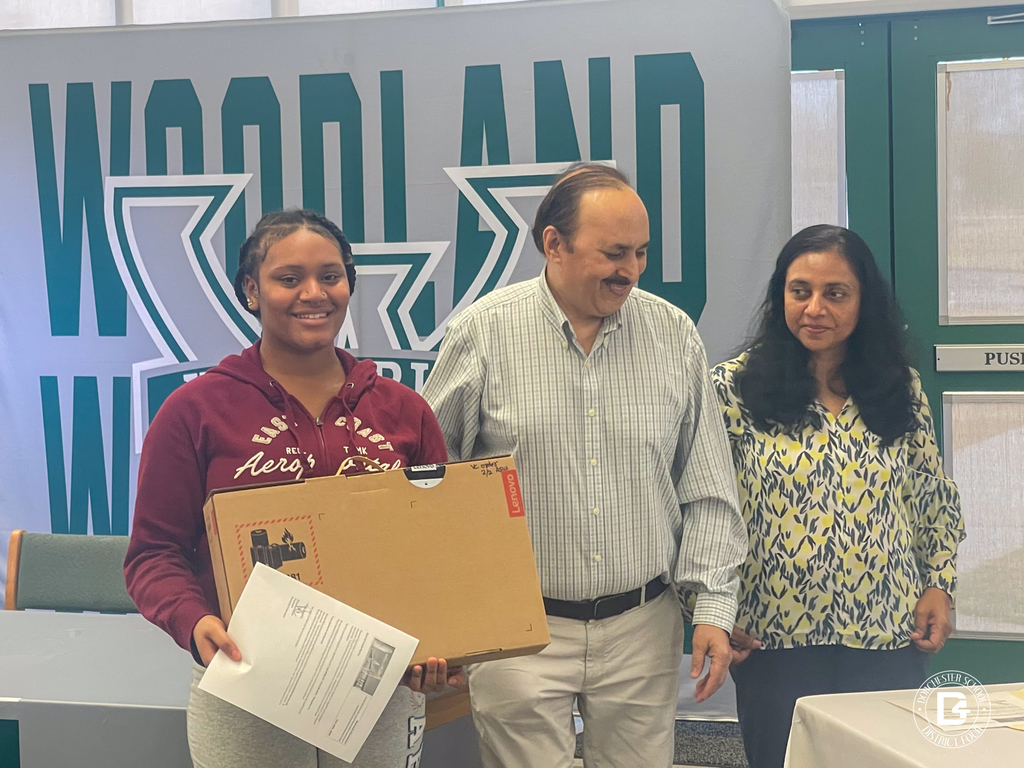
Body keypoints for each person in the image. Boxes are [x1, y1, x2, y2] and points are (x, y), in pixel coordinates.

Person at [421, 163, 747, 768]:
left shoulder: (674, 336)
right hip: (518, 632)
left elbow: (706, 488)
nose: (630, 270)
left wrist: (713, 610)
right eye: (614, 252)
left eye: (641, 253)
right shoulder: (483, 334)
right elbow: (431, 484)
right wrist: (452, 618)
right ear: (554, 244)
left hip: (642, 625)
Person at [124, 209, 464, 768]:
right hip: (246, 682)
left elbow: (441, 550)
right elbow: (152, 555)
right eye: (289, 278)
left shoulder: (404, 411)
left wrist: (445, 641)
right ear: (251, 291)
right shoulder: (195, 413)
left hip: (379, 685)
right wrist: (194, 621)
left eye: (331, 276)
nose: (314, 293)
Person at [716, 225, 965, 768]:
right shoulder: (733, 390)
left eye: (836, 293)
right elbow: (707, 511)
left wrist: (939, 584)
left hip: (886, 632)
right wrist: (713, 608)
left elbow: (932, 498)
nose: (814, 308)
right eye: (799, 290)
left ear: (863, 301)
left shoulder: (900, 387)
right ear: (780, 294)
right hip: (773, 636)